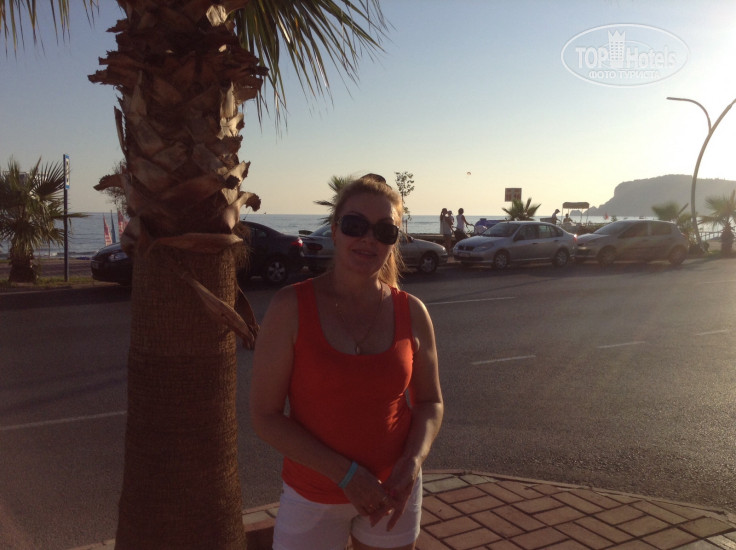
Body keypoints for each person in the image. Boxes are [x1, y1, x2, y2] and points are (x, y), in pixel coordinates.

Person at [251, 173, 444, 550]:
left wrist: (412, 462)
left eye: (384, 230)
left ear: (394, 241)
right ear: (335, 230)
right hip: (312, 497)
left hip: (394, 492)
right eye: (356, 225)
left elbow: (430, 402)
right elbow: (266, 416)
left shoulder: (412, 311)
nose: (369, 238)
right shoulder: (290, 307)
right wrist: (348, 476)